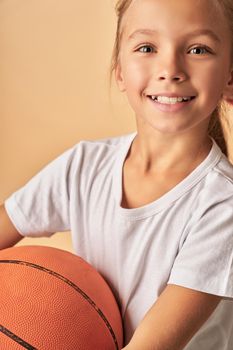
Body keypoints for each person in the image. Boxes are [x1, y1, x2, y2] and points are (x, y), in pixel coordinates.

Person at [1, 0, 233, 348]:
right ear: (120, 71)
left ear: (230, 75)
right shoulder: (84, 166)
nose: (170, 69)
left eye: (198, 49)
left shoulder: (222, 204)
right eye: (147, 47)